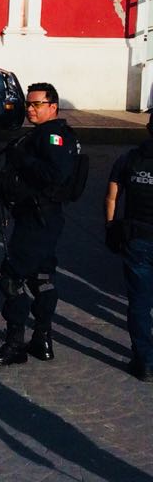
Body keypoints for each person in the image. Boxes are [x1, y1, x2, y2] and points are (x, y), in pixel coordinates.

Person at [0, 82, 80, 367]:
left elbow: (55, 174)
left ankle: (15, 345)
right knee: (42, 278)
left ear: (53, 106)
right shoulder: (48, 134)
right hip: (39, 216)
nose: (31, 109)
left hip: (39, 218)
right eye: (29, 104)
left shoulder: (53, 136)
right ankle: (42, 339)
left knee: (12, 279)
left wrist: (21, 158)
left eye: (37, 104)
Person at [105, 114, 153, 382]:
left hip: (138, 240)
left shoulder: (130, 159)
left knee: (139, 302)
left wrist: (110, 227)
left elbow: (112, 196)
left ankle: (145, 360)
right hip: (140, 240)